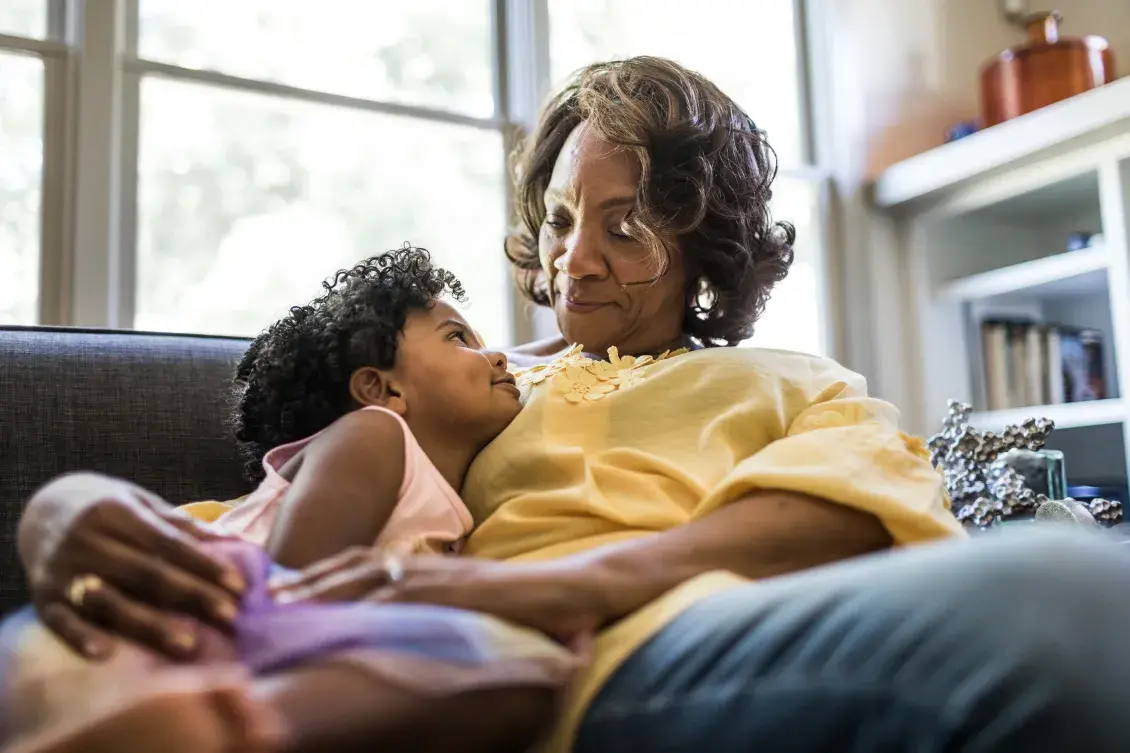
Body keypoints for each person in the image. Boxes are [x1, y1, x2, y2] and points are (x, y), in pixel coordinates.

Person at [17, 56, 1130, 753]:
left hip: (665, 642)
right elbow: (273, 517)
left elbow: (845, 515)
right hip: (434, 664)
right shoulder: (471, 388)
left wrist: (541, 584)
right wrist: (60, 507)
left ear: (704, 245)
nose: (575, 261)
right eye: (557, 220)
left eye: (626, 225)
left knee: (1073, 589)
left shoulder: (792, 381)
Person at [4, 247, 577, 753]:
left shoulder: (440, 495)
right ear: (381, 389)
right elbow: (298, 580)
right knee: (520, 676)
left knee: (520, 680)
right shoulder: (376, 435)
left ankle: (205, 727)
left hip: (179, 661)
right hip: (184, 620)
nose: (498, 358)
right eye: (459, 339)